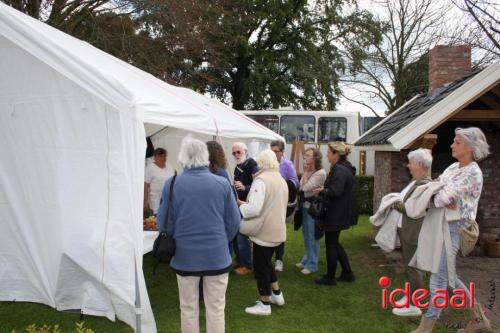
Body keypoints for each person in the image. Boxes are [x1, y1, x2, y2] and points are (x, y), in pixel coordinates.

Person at [410, 128, 491, 333]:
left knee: (439, 278)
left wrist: (441, 192)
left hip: (454, 229)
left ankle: (425, 328)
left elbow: (440, 198)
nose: (452, 145)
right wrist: (440, 190)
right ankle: (481, 321)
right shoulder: (453, 167)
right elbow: (437, 189)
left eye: (457, 142)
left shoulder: (472, 172)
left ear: (471, 147)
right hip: (442, 225)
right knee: (448, 278)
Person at [156, 137, 240, 333]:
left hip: (185, 257)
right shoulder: (221, 183)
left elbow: (163, 223)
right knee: (216, 309)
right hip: (217, 256)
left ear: (183, 157)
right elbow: (234, 222)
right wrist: (220, 240)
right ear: (205, 156)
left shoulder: (173, 183)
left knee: (188, 308)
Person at [238, 149, 288, 316]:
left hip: (264, 232)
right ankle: (277, 295)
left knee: (261, 267)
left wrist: (241, 205)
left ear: (261, 163)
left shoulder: (261, 180)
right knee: (267, 263)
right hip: (277, 231)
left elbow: (254, 209)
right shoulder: (281, 179)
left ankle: (264, 303)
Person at [391, 149, 433, 317]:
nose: (408, 165)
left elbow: (411, 208)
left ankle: (415, 304)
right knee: (410, 265)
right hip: (409, 229)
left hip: (414, 232)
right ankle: (411, 296)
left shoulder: (423, 185)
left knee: (414, 267)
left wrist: (394, 203)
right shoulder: (416, 182)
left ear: (420, 165)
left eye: (411, 162)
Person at [312, 142, 357, 286]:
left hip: (336, 213)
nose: (327, 155)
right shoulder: (342, 168)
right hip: (339, 212)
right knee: (334, 243)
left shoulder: (340, 170)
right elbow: (337, 189)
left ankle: (330, 277)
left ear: (336, 154)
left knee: (331, 244)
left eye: (329, 152)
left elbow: (336, 191)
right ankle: (347, 273)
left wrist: (322, 191)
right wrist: (325, 189)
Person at [296, 147, 327, 275]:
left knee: (312, 235)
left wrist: (306, 173)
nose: (305, 158)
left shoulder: (320, 173)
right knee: (306, 234)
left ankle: (312, 264)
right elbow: (299, 185)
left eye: (308, 155)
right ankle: (307, 258)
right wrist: (306, 173)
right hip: (305, 207)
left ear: (315, 158)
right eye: (305, 156)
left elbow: (305, 188)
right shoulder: (308, 171)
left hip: (314, 209)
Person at [270, 140, 299, 272]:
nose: (273, 153)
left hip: (282, 204)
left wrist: (283, 183)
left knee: (279, 232)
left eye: (276, 151)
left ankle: (279, 260)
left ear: (282, 152)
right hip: (269, 204)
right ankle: (268, 258)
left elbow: (295, 182)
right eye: (272, 151)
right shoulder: (267, 164)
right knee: (269, 231)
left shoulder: (287, 165)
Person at [232, 142, 259, 276]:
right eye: (234, 153)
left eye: (239, 152)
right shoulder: (237, 167)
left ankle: (248, 265)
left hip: (249, 205)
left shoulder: (252, 164)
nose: (236, 155)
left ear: (246, 151)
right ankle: (240, 260)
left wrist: (245, 187)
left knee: (242, 235)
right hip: (239, 204)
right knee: (237, 234)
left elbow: (258, 183)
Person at [144, 148, 174, 215]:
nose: (163, 158)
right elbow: (145, 185)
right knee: (157, 220)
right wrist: (145, 202)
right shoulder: (150, 168)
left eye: (164, 156)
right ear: (154, 157)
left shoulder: (169, 166)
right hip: (156, 201)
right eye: (160, 156)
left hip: (169, 200)